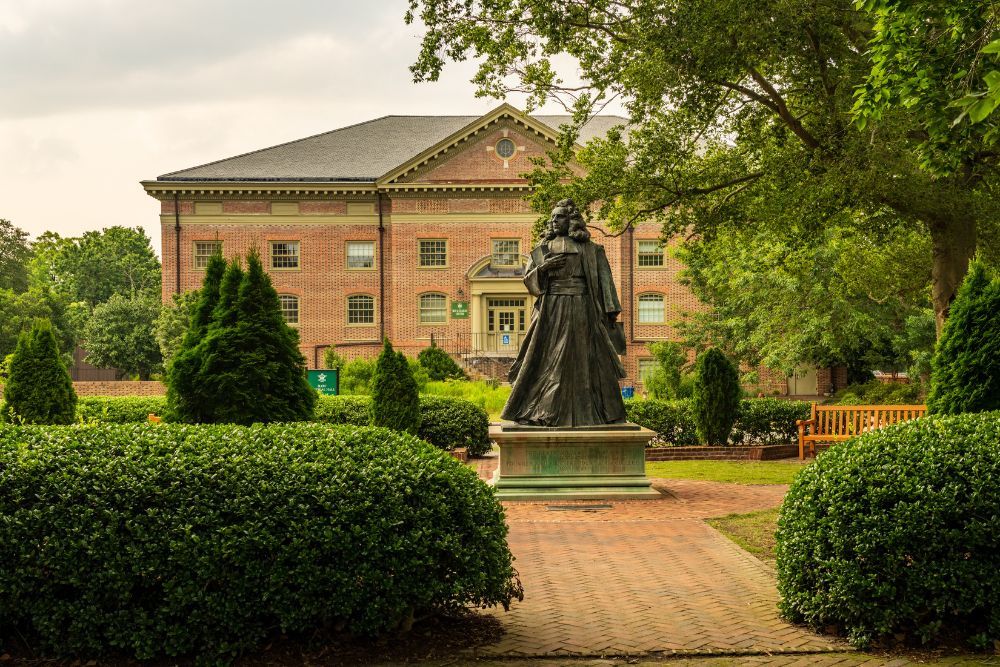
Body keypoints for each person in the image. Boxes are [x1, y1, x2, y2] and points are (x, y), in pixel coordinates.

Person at [501, 199, 627, 426]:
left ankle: (594, 412)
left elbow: (605, 283)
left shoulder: (591, 249)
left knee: (585, 359)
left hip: (583, 308)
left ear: (571, 220)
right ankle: (542, 410)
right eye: (553, 217)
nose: (554, 221)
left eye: (559, 216)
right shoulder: (543, 249)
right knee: (549, 359)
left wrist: (610, 312)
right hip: (552, 310)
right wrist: (544, 268)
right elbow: (529, 282)